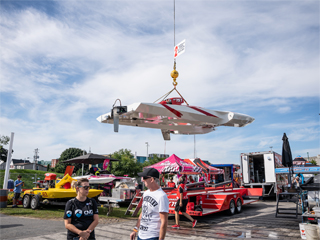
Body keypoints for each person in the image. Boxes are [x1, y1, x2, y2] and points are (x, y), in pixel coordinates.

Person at [130, 168, 169, 240]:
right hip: (141, 235)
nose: (142, 180)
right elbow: (143, 212)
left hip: (152, 236)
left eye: (144, 178)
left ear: (151, 180)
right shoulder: (146, 193)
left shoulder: (161, 196)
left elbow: (164, 222)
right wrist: (135, 229)